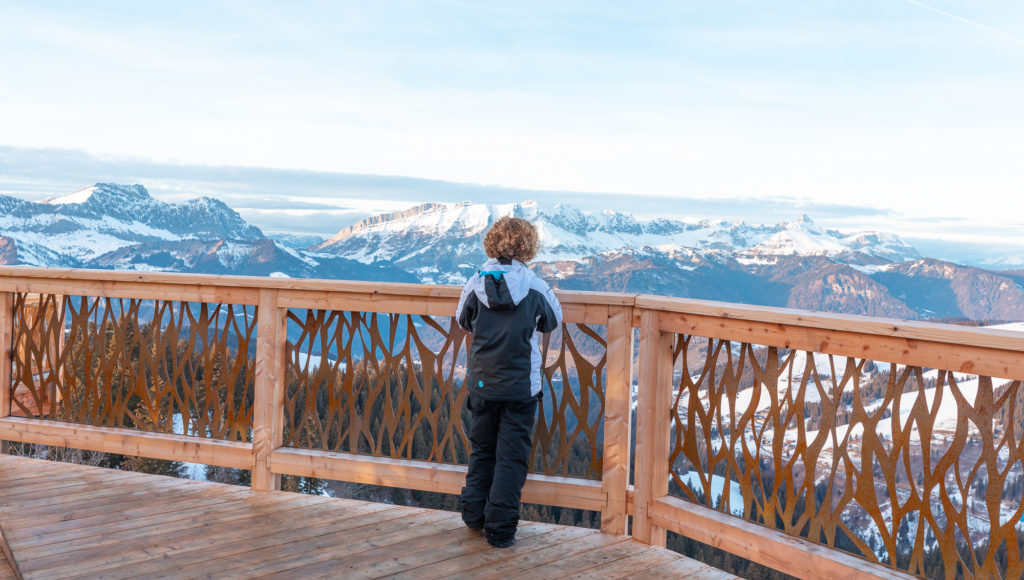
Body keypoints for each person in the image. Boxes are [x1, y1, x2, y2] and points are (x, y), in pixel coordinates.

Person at [455, 216, 563, 548]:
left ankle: (474, 515)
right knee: (511, 457)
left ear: (492, 243)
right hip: (520, 388)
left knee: (483, 449)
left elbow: (464, 320)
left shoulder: (475, 282)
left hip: (483, 383)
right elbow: (552, 322)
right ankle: (500, 531)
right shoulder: (534, 286)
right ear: (528, 247)